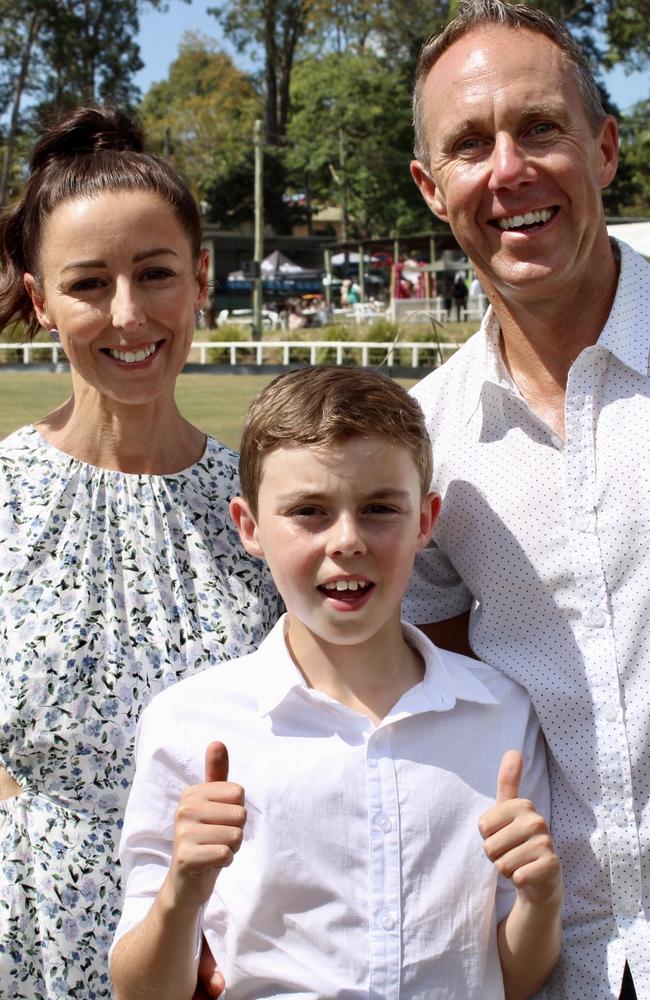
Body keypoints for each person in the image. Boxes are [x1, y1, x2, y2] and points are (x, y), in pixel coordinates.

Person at [110, 365, 563, 1000]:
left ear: (426, 520)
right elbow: (140, 990)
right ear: (249, 527)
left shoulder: (500, 713)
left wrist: (540, 897)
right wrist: (183, 889)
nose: (346, 540)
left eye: (379, 508)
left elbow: (514, 978)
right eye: (309, 513)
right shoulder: (191, 722)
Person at [0, 105, 280, 1000]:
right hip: (28, 937)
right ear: (41, 301)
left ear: (201, 278)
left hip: (226, 949)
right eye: (88, 284)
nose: (128, 314)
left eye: (155, 273)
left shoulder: (264, 506)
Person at [407, 1, 650, 997]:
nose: (506, 170)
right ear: (431, 187)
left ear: (603, 146)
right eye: (469, 145)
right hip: (565, 967)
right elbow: (440, 707)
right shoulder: (420, 445)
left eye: (538, 128)